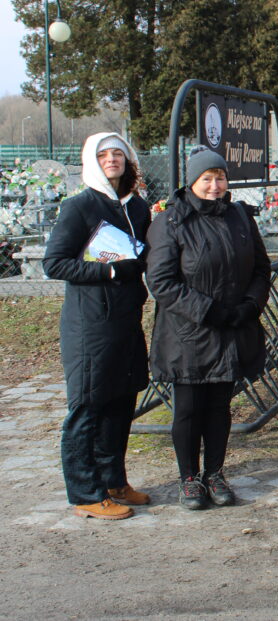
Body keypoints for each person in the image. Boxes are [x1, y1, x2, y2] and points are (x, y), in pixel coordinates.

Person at [146, 147, 271, 509]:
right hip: (190, 333)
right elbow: (162, 281)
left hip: (232, 328)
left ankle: (214, 473)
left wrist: (250, 304)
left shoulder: (239, 218)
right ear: (192, 182)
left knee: (219, 406)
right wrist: (208, 311)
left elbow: (261, 269)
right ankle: (189, 478)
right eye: (207, 179)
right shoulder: (172, 221)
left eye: (220, 178)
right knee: (188, 409)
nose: (215, 185)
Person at [43, 132, 152, 520]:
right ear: (93, 161)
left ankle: (113, 480)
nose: (112, 160)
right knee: (88, 405)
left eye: (118, 154)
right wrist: (107, 270)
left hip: (125, 320)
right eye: (104, 155)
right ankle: (85, 493)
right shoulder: (79, 206)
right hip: (90, 323)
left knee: (121, 402)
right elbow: (54, 263)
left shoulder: (136, 208)